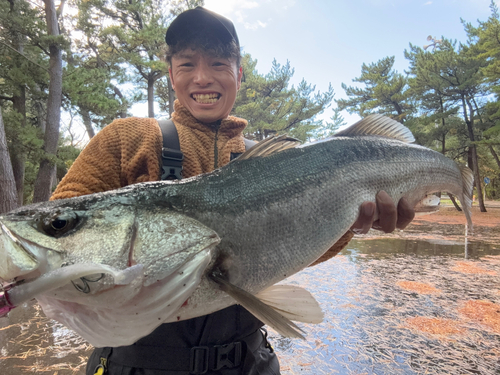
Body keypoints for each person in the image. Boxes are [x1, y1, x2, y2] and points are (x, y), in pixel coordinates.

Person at [51, 7, 415, 375]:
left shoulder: (275, 160)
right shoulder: (127, 139)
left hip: (248, 361)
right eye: (187, 64)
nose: (202, 78)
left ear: (239, 74)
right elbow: (60, 231)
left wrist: (352, 225)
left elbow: (292, 250)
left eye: (219, 64)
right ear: (171, 75)